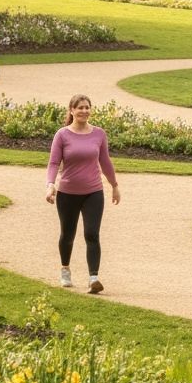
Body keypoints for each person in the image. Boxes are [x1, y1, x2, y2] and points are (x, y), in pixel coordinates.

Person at [45, 94, 120, 294]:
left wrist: (114, 185)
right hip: (67, 193)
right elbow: (54, 163)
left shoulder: (99, 134)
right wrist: (50, 185)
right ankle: (65, 269)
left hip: (93, 192)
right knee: (67, 235)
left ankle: (93, 278)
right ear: (72, 110)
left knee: (92, 234)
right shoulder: (62, 135)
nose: (84, 111)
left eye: (87, 107)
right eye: (80, 108)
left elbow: (105, 161)